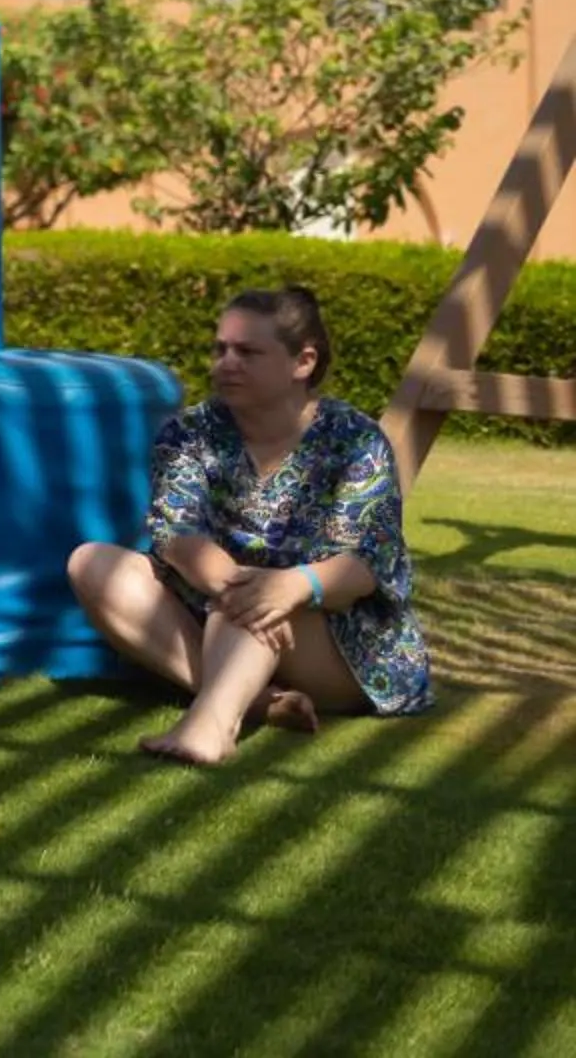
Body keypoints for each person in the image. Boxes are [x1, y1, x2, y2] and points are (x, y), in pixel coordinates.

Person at [68, 288, 432, 766]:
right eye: (220, 349)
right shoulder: (190, 433)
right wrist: (238, 586)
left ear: (303, 362)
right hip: (221, 605)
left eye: (247, 352)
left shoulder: (355, 441)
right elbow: (178, 535)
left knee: (249, 606)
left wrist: (293, 586)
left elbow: (364, 565)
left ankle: (212, 724)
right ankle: (258, 701)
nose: (226, 363)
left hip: (339, 639)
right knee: (92, 564)